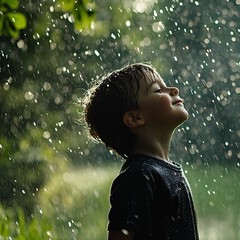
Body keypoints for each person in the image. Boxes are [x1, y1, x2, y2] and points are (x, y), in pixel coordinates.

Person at [81, 63, 199, 240]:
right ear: (135, 118)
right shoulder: (138, 175)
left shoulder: (162, 170)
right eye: (158, 90)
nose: (173, 89)